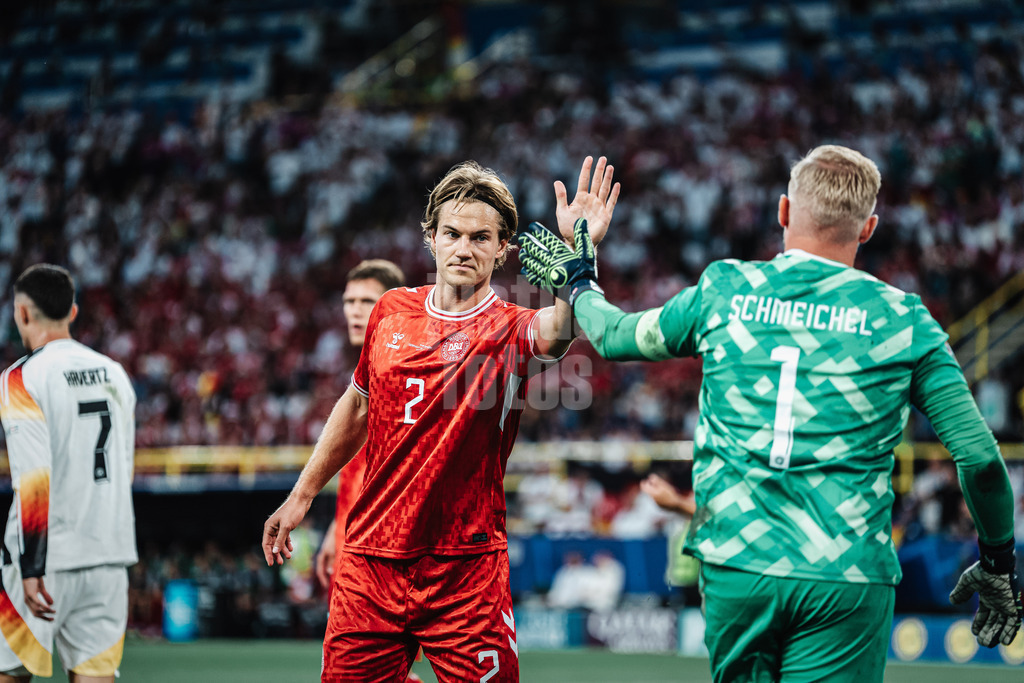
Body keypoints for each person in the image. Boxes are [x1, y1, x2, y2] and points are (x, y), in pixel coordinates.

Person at [518, 145, 1022, 682]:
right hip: (845, 574)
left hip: (739, 564)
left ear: (784, 211)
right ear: (868, 228)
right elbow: (980, 459)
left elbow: (617, 337)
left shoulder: (724, 290)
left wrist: (579, 276)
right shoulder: (904, 320)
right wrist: (997, 562)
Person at [263, 156, 619, 682]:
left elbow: (563, 327)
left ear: (503, 250)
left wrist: (583, 252)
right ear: (431, 238)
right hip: (370, 564)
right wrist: (303, 493)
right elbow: (358, 404)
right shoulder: (389, 310)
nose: (464, 248)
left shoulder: (510, 329)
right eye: (452, 233)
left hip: (465, 573)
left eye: (481, 238)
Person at [0, 264, 137, 683]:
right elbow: (123, 470)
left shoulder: (21, 377)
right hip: (109, 556)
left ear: (22, 313)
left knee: (9, 672)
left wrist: (31, 566)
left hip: (46, 558)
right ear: (72, 312)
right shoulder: (115, 372)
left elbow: (33, 478)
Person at [313, 259, 405, 592]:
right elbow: (361, 465)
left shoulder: (403, 372)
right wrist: (336, 528)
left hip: (379, 551)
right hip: (351, 537)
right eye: (349, 302)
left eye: (367, 302)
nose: (354, 311)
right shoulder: (366, 368)